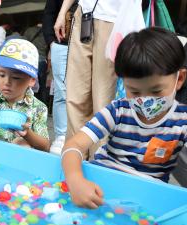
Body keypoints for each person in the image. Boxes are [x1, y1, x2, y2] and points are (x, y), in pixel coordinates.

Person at [61, 28, 187, 209]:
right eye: (134, 91)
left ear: (180, 78)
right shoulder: (118, 111)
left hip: (147, 198)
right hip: (102, 187)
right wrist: (75, 180)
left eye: (156, 91)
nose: (145, 101)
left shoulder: (182, 122)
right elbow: (73, 146)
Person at [54, 0, 123, 149]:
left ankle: (98, 162)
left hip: (113, 19)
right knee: (74, 97)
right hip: (82, 14)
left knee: (102, 101)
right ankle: (73, 157)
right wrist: (63, 12)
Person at [42, 0, 77, 155]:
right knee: (62, 91)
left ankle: (82, 133)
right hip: (62, 42)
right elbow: (49, 13)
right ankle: (61, 136)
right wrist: (51, 42)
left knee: (86, 90)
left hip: (89, 41)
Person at [24, 22, 48, 105]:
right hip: (42, 60)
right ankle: (43, 105)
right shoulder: (46, 32)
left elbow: (24, 44)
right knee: (42, 85)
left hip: (30, 60)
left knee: (29, 83)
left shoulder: (29, 30)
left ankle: (29, 103)